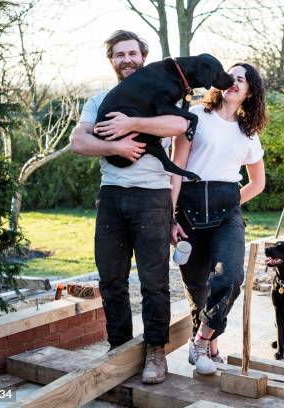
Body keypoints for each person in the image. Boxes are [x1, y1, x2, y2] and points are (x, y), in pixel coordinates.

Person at [70, 30, 187, 384]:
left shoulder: (160, 94)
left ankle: (155, 352)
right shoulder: (100, 100)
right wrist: (117, 148)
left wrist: (132, 124)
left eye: (132, 53)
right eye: (119, 55)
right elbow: (79, 141)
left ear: (143, 56)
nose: (127, 59)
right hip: (111, 198)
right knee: (111, 280)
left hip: (153, 197)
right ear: (113, 61)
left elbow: (179, 125)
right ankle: (119, 347)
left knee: (154, 281)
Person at [170, 63, 268, 375]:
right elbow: (176, 166)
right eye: (230, 76)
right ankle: (210, 346)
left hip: (228, 213)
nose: (233, 82)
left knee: (229, 278)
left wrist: (229, 201)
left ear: (250, 91)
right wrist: (170, 216)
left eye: (242, 80)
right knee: (197, 286)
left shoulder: (248, 133)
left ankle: (200, 340)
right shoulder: (196, 116)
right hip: (188, 207)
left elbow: (258, 183)